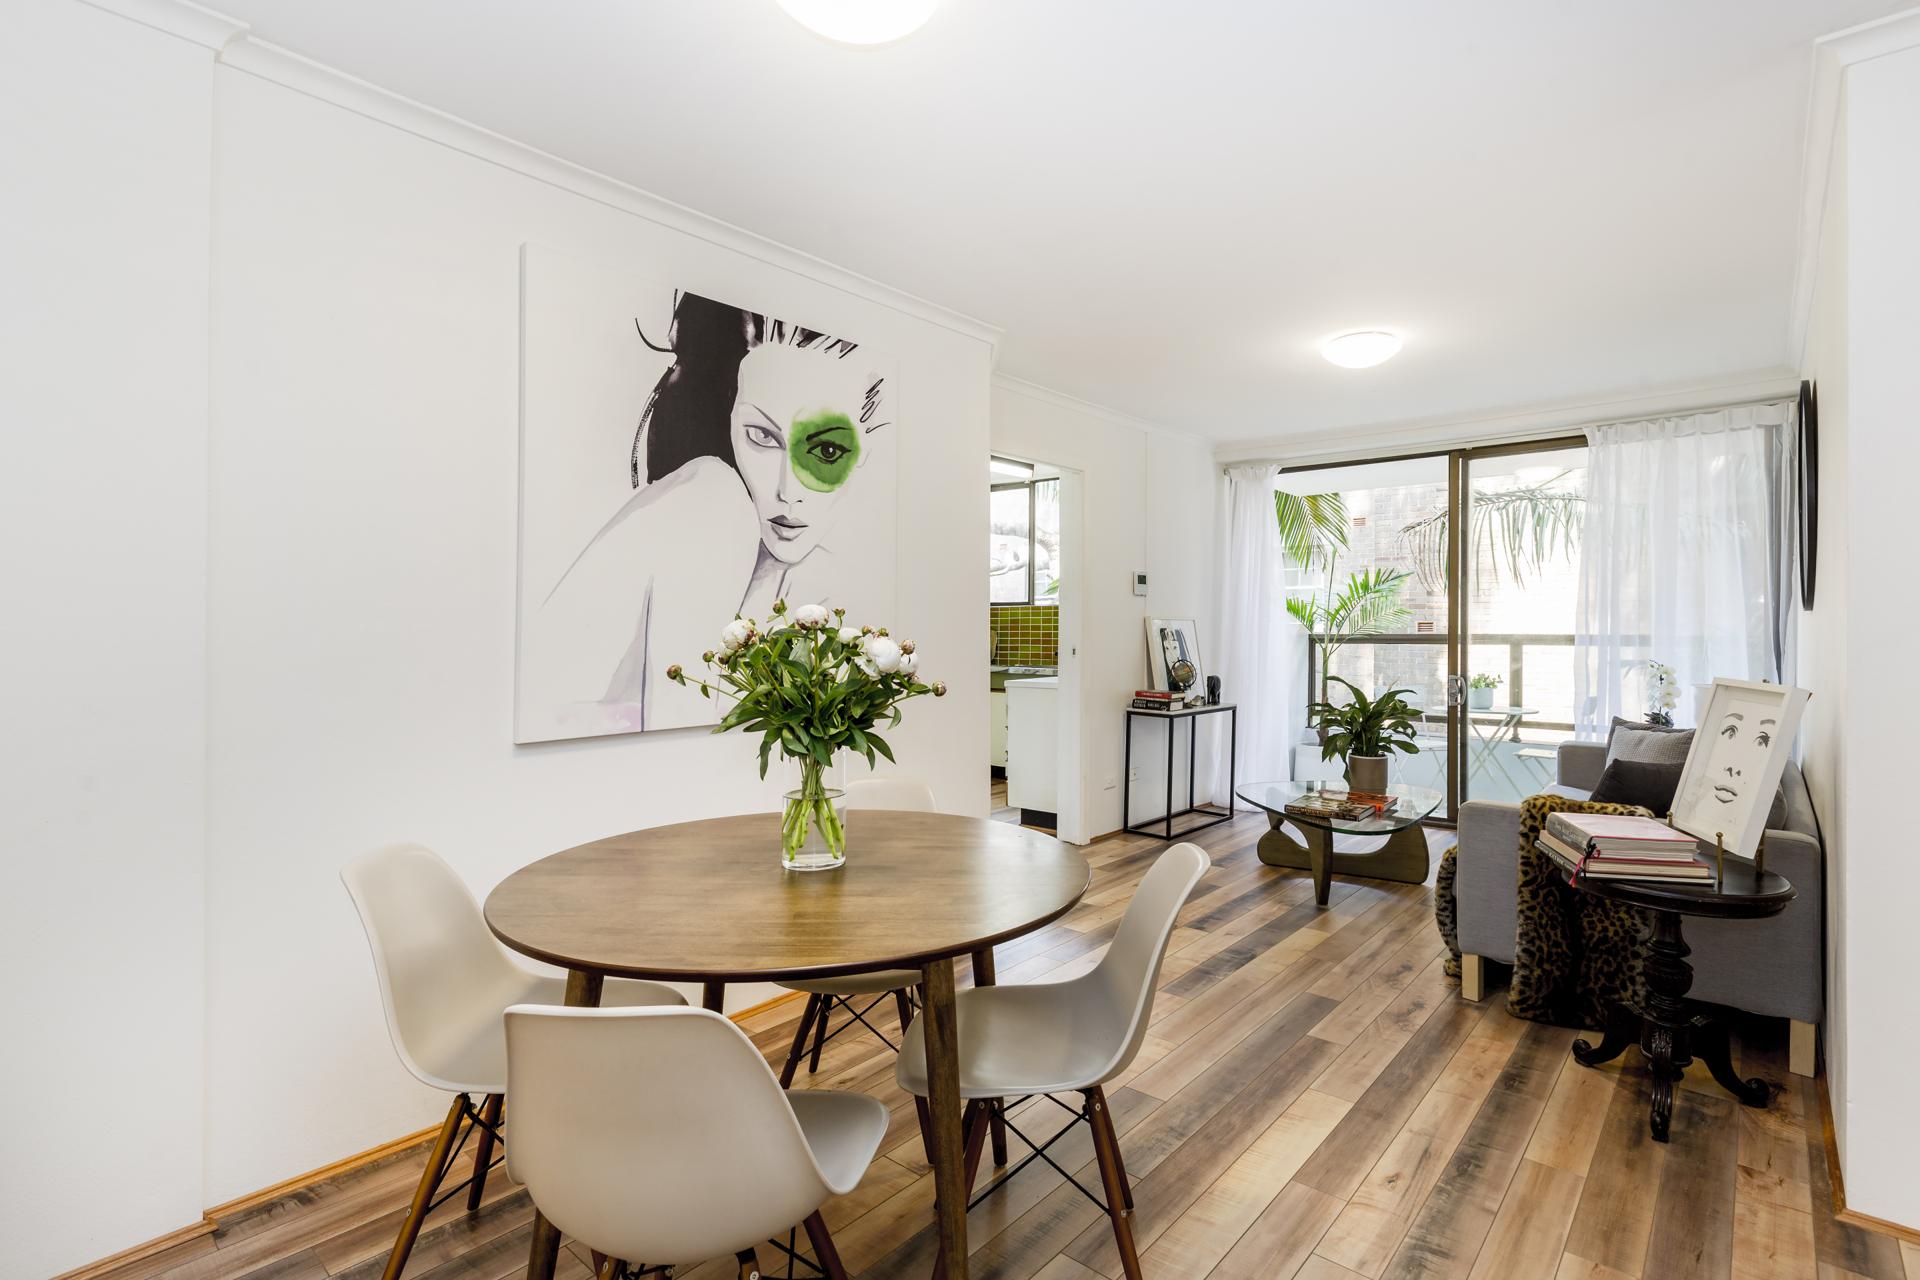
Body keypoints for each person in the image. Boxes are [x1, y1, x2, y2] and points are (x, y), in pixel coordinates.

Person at [519, 291, 886, 738]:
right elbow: (677, 730)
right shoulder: (712, 499)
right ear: (728, 420)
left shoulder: (795, 573)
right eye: (761, 437)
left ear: (866, 453)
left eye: (827, 451)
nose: (788, 492)